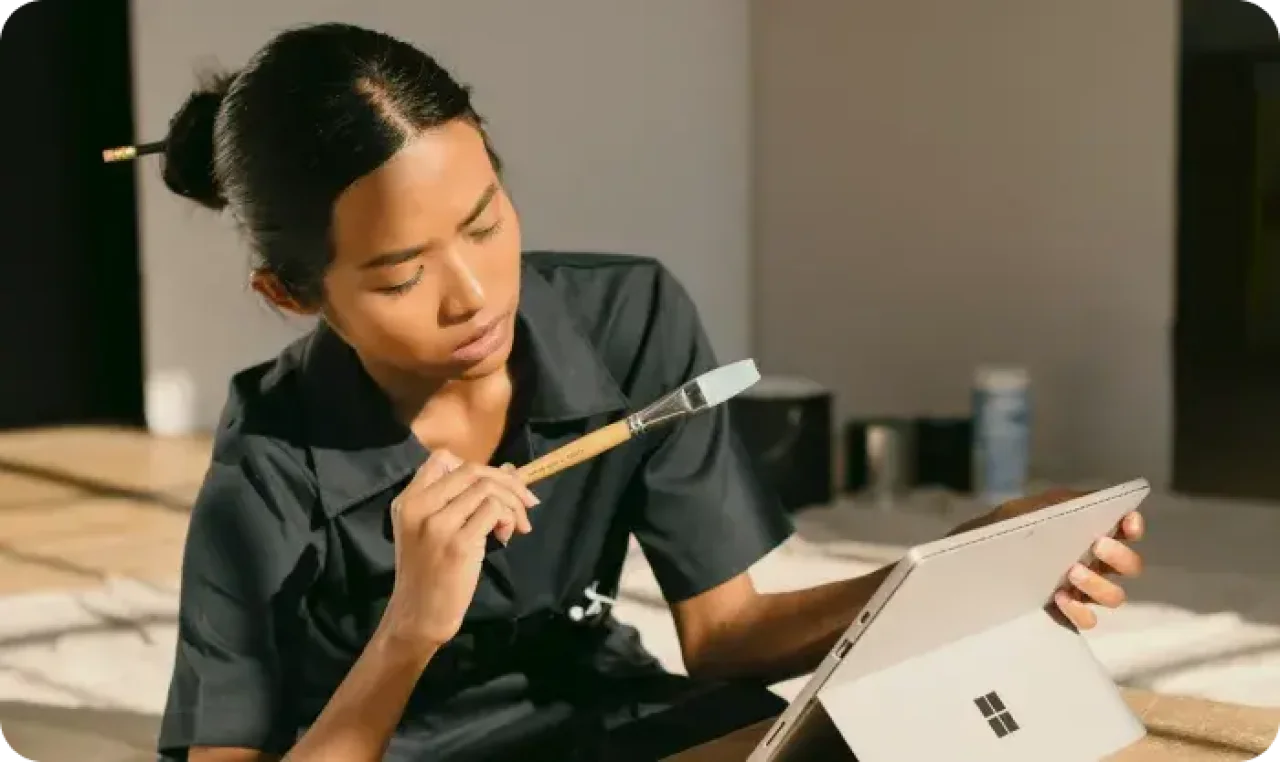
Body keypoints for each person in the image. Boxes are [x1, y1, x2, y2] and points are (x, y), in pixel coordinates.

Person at [152, 22, 1147, 762]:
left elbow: (722, 639)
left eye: (486, 219)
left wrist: (960, 567)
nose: (474, 294)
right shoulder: (269, 466)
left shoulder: (626, 316)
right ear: (291, 292)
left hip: (609, 716)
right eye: (404, 276)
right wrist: (411, 626)